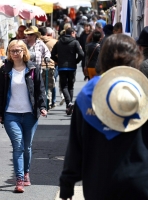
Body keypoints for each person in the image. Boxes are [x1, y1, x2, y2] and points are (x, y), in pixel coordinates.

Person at [59, 34, 148, 200]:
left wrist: (67, 184)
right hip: (141, 181)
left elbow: (76, 147)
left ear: (103, 59)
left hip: (99, 184)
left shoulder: (88, 95)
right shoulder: (143, 91)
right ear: (136, 58)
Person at [0, 39, 48, 193]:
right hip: (11, 114)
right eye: (12, 51)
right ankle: (19, 179)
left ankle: (26, 172)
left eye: (18, 50)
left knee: (27, 146)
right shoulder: (5, 70)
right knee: (18, 146)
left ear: (24, 51)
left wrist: (42, 107)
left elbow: (40, 90)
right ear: (9, 53)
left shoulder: (33, 69)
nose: (15, 53)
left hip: (30, 114)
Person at [51, 28, 84, 115]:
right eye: (75, 33)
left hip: (62, 67)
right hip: (72, 67)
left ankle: (68, 104)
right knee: (71, 86)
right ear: (72, 33)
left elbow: (52, 54)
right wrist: (76, 61)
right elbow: (81, 54)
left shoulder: (59, 42)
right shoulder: (75, 42)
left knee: (64, 86)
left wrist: (58, 61)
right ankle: (69, 104)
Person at [39, 27, 57, 109]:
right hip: (50, 65)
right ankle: (49, 102)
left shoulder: (36, 42)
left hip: (39, 65)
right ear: (47, 33)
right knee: (50, 85)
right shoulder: (54, 42)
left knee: (40, 85)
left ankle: (42, 101)